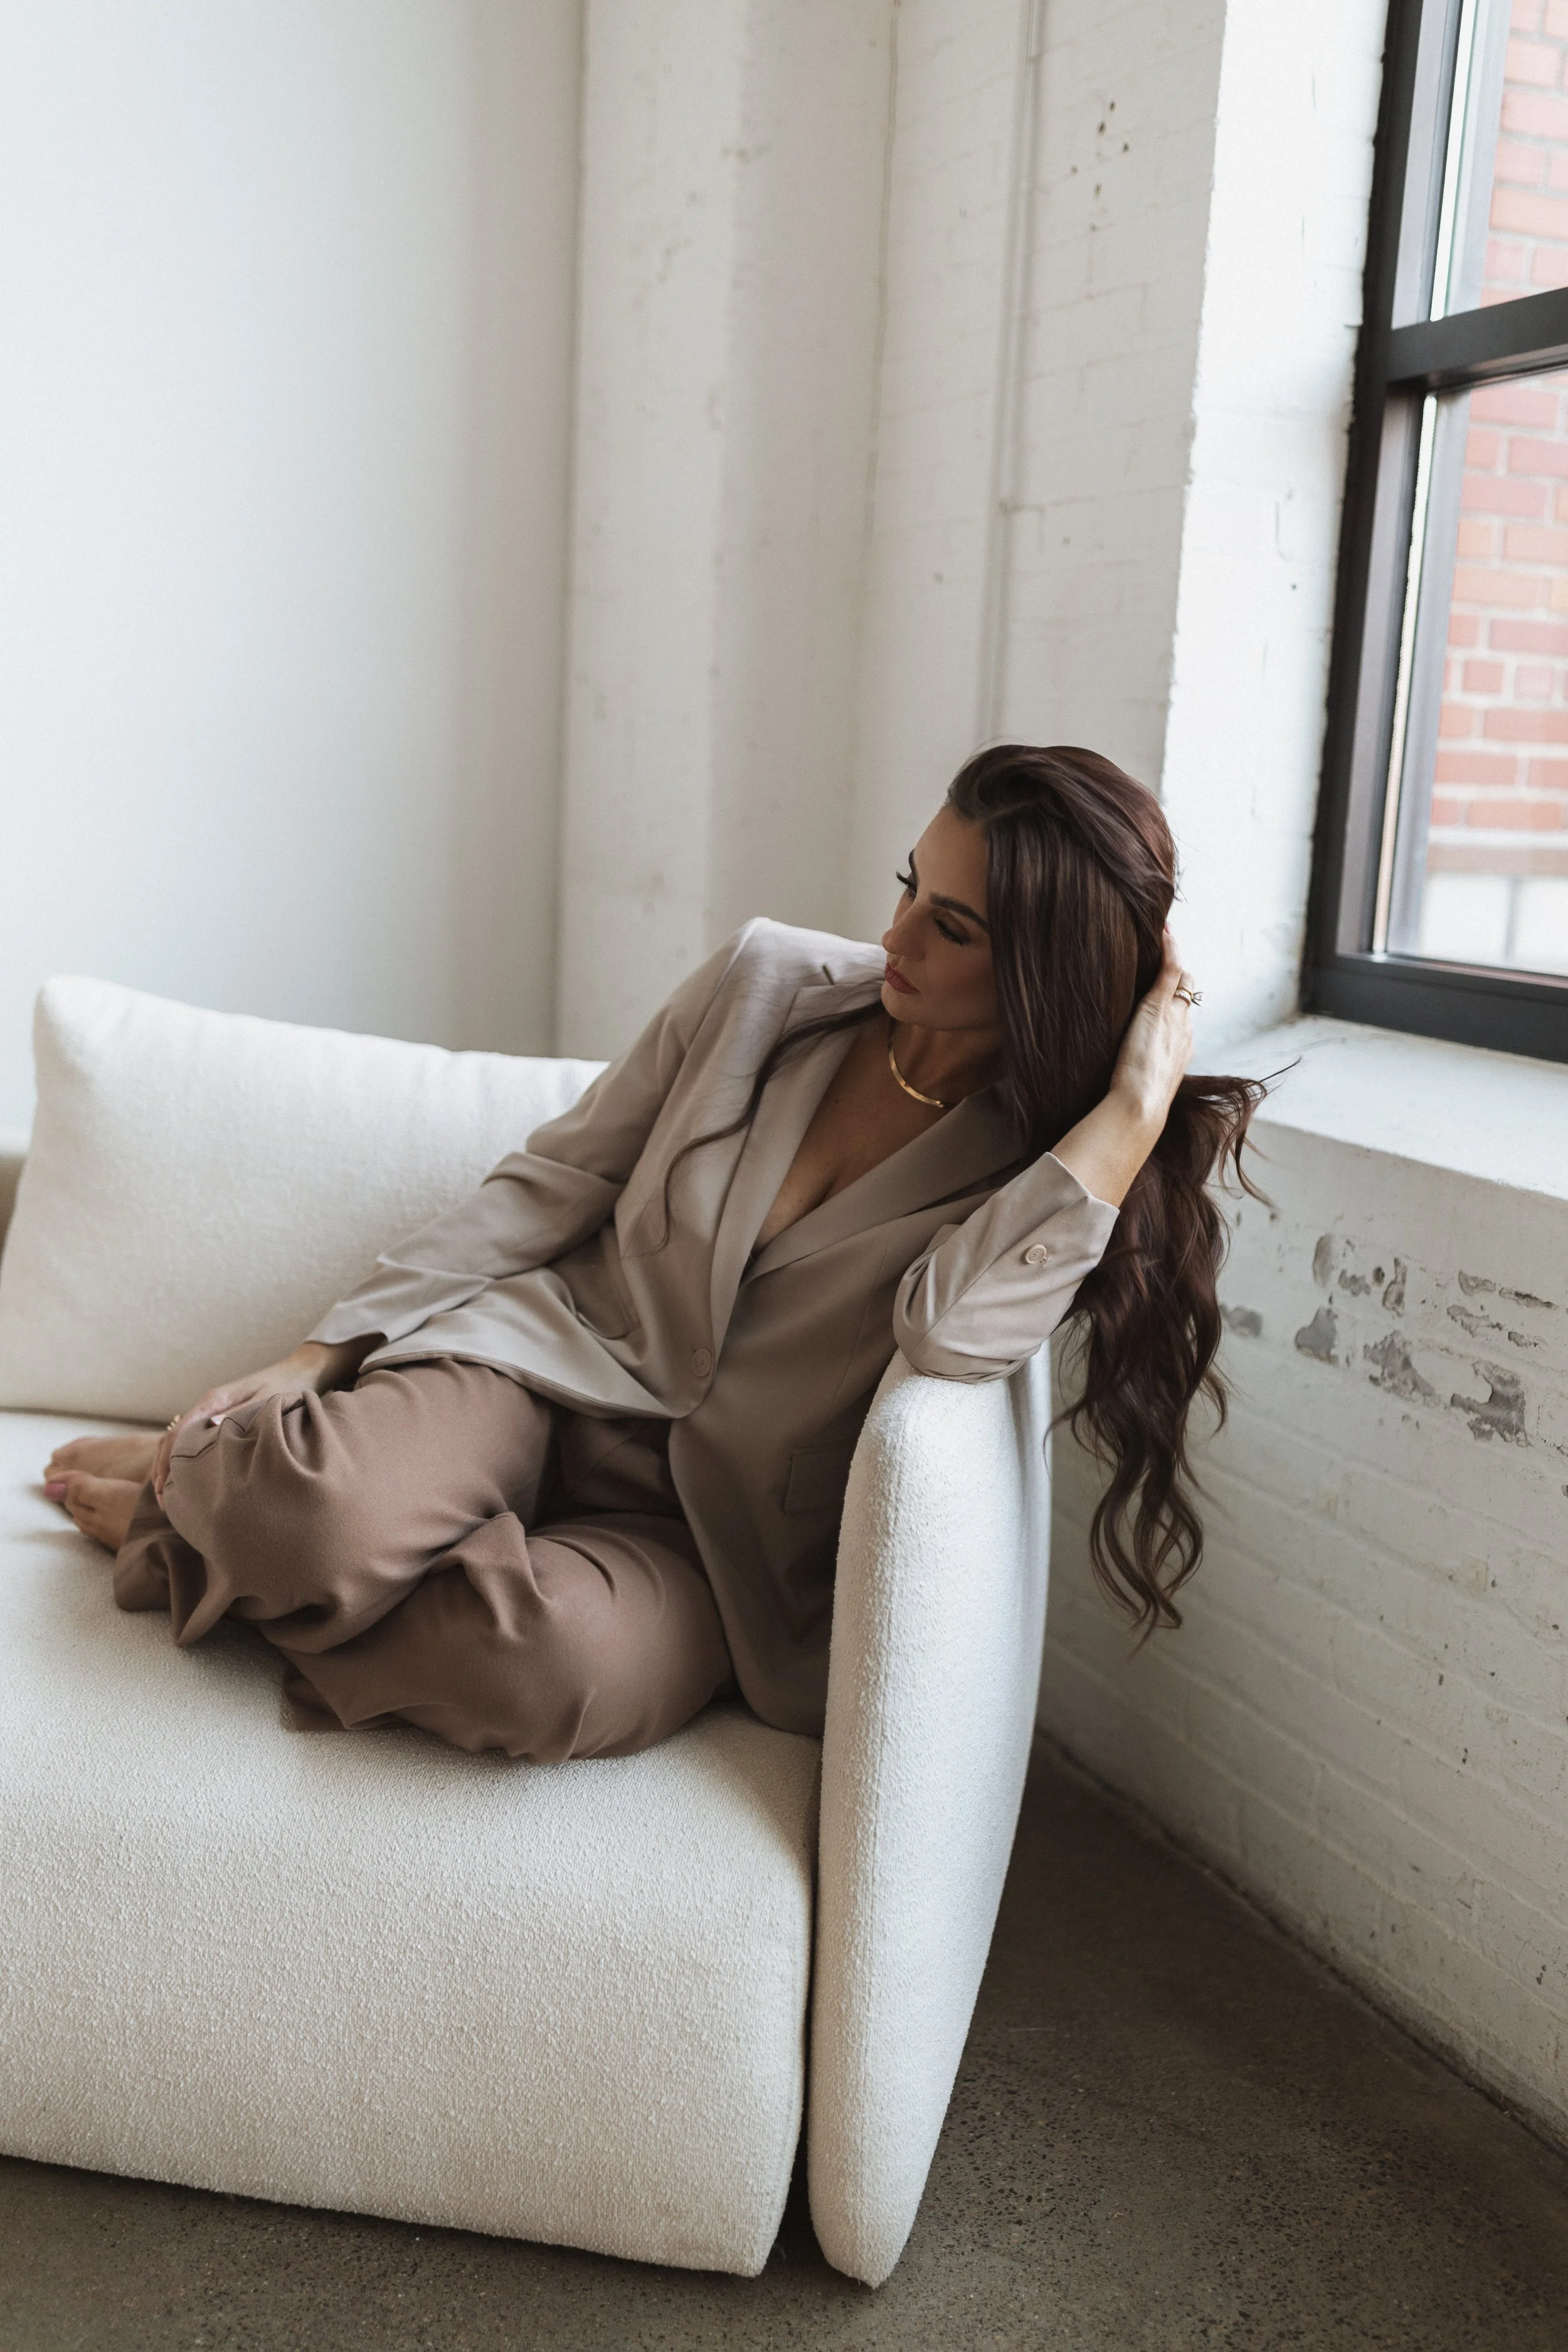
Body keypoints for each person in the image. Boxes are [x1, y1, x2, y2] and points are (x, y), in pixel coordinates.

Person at [43, 745, 1261, 1759]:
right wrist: (323, 1352)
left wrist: (1125, 1120)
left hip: (702, 1537)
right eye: (906, 885)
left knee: (537, 1674)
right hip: (537, 1373)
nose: (893, 933)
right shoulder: (765, 985)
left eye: (947, 927)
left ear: (1042, 973)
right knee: (312, 1518)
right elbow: (557, 1179)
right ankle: (275, 1515)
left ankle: (198, 1526)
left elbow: (942, 1332)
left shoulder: (1042, 1181)